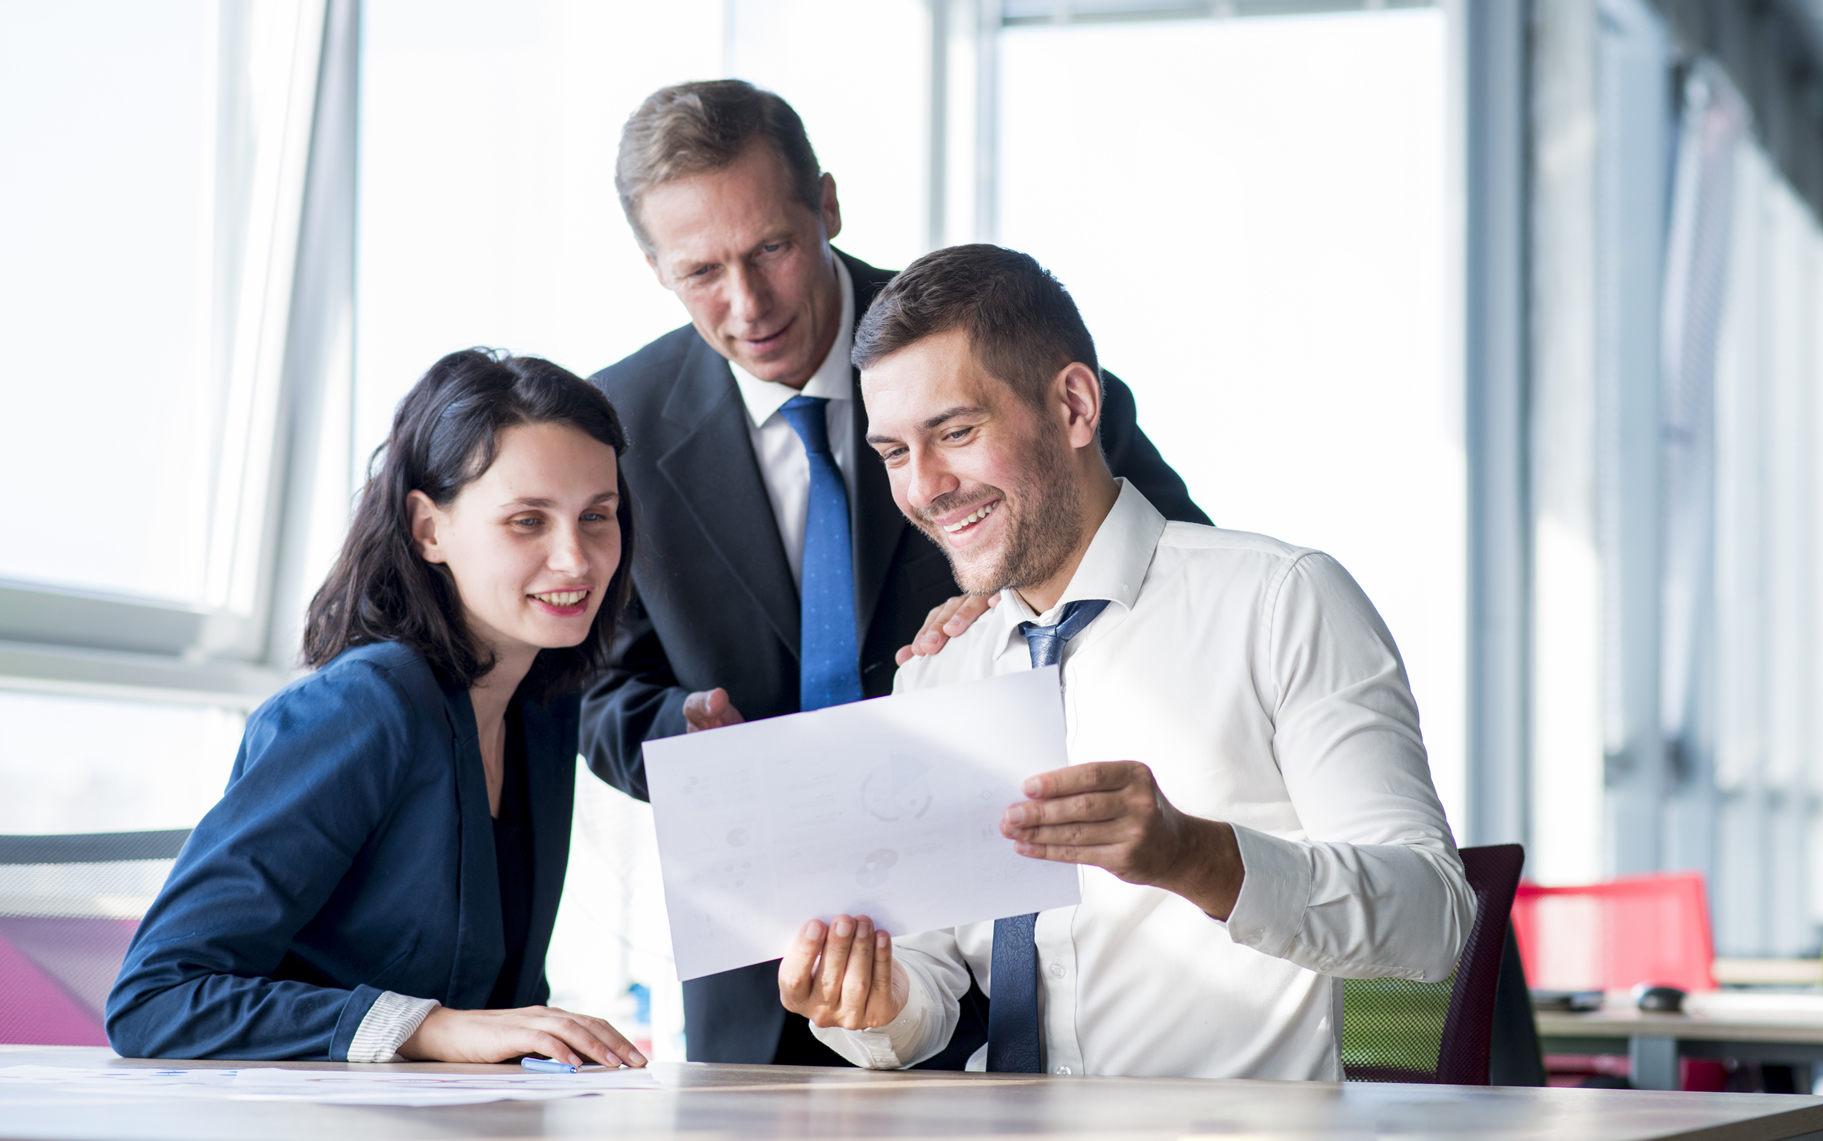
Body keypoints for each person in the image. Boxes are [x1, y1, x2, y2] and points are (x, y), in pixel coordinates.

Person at [581, 79, 1210, 1067]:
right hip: (763, 969)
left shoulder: (988, 346)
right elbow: (597, 690)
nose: (746, 305)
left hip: (1014, 934)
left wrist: (1020, 596)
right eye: (700, 270)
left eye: (772, 250)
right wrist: (684, 730)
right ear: (654, 269)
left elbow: (1176, 580)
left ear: (825, 205)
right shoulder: (611, 425)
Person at [772, 245, 1474, 1081]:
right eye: (893, 453)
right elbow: (930, 988)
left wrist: (1202, 858)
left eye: (956, 432)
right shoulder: (939, 668)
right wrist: (873, 1002)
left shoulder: (1280, 602)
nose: (924, 487)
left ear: (1073, 406)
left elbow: (1435, 919)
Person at [106, 350, 649, 1067]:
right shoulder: (366, 704)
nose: (576, 559)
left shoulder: (543, 709)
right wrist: (430, 1028)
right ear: (428, 528)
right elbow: (153, 998)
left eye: (596, 516)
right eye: (527, 521)